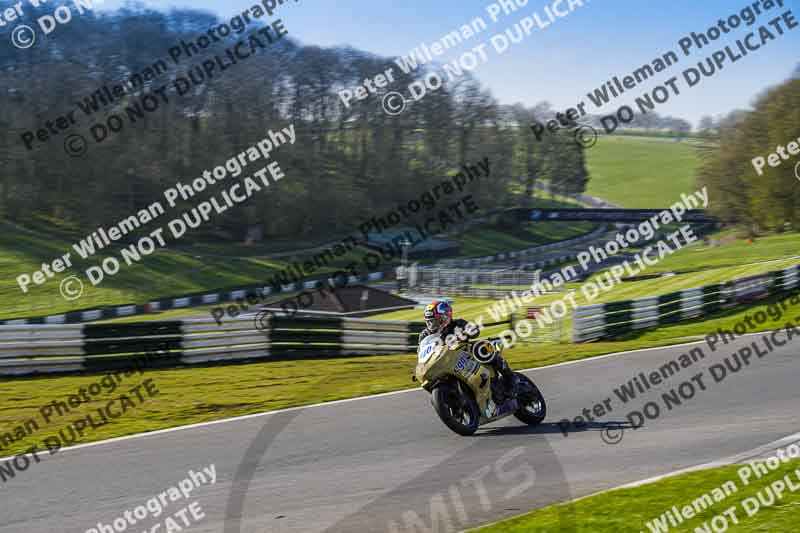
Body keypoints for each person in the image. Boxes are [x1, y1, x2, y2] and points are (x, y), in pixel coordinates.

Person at [418, 300, 517, 394]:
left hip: (465, 355)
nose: (432, 325)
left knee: (483, 347)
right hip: (444, 363)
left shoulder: (458, 324)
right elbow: (421, 351)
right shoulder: (425, 335)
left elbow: (475, 331)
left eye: (437, 321)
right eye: (430, 322)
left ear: (446, 317)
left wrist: (466, 332)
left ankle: (511, 378)